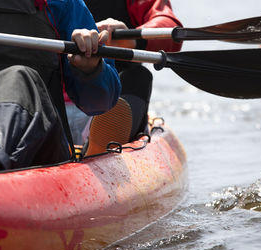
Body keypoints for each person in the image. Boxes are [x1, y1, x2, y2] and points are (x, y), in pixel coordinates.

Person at [0, 0, 121, 178]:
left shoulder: (60, 4)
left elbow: (99, 103)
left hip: (34, 146)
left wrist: (90, 69)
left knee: (17, 77)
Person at [66, 0, 183, 147]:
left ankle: (100, 148)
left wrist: (134, 41)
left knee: (138, 78)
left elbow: (169, 25)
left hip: (107, 103)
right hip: (46, 102)